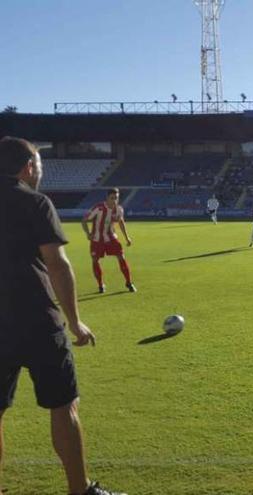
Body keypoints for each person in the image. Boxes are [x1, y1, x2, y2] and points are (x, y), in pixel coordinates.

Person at [0, 136, 125, 495]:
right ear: (28, 167)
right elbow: (57, 263)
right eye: (40, 164)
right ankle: (79, 490)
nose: (41, 171)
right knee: (64, 406)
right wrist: (75, 322)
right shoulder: (35, 202)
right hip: (38, 320)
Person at [81, 188, 135, 294]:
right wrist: (88, 234)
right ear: (107, 198)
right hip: (97, 239)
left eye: (116, 198)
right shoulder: (99, 208)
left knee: (121, 257)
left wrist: (126, 237)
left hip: (111, 238)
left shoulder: (119, 209)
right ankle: (101, 285)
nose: (114, 200)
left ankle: (129, 283)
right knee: (95, 260)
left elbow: (120, 221)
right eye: (112, 198)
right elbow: (84, 220)